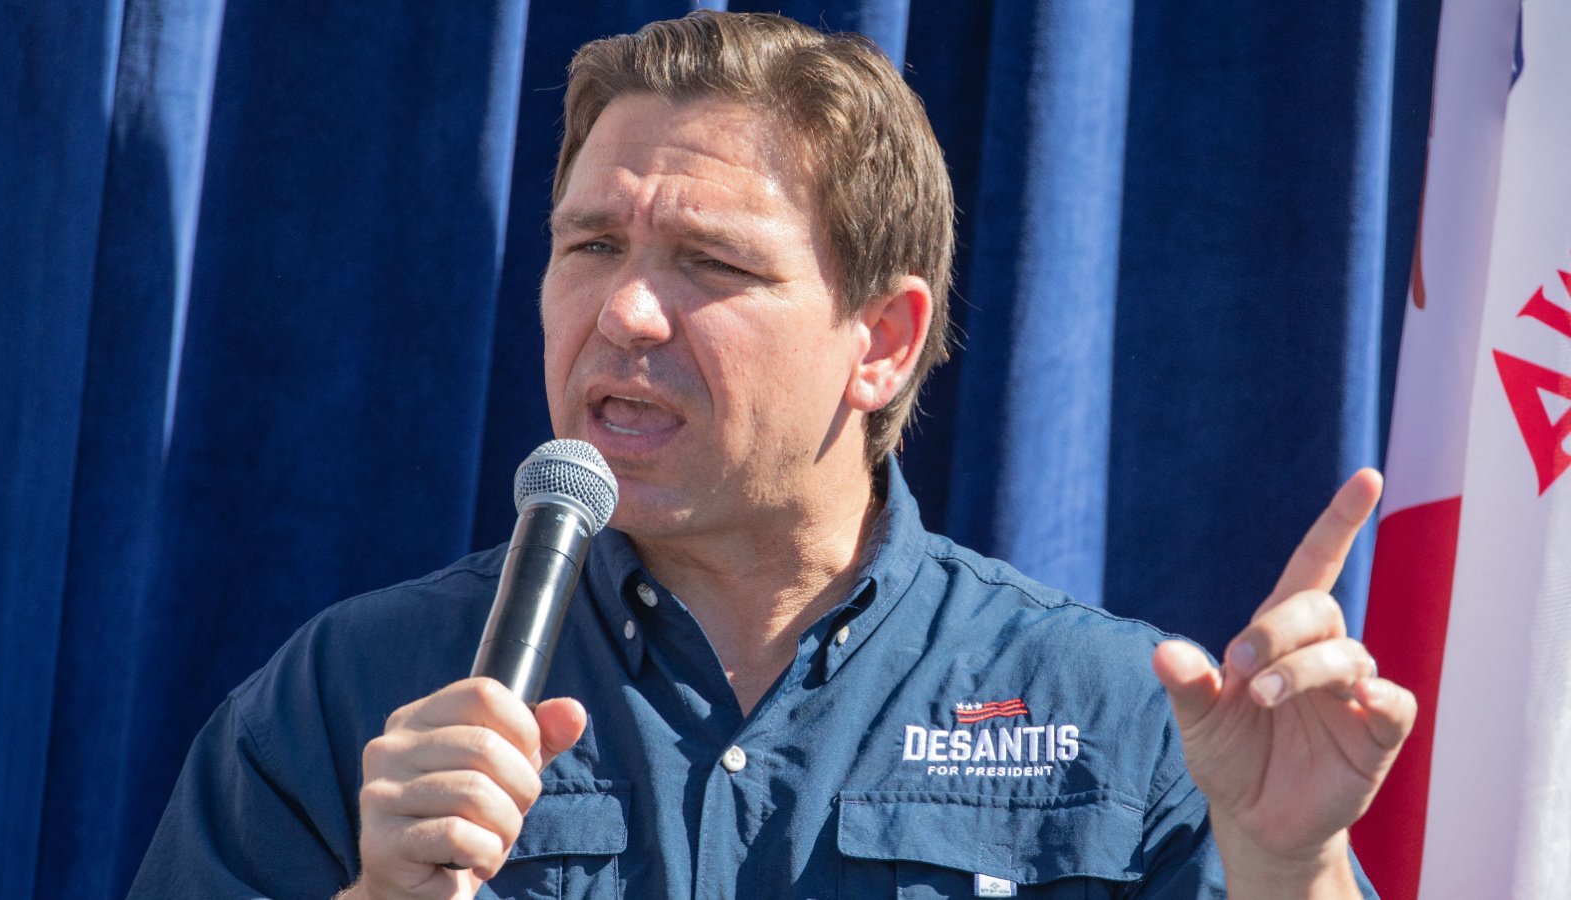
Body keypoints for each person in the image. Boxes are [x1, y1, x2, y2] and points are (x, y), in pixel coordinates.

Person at [130, 11, 1414, 899]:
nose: (624, 313)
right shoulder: (356, 696)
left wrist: (1286, 865)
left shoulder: (1113, 716)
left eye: (710, 264)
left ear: (883, 344)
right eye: (590, 248)